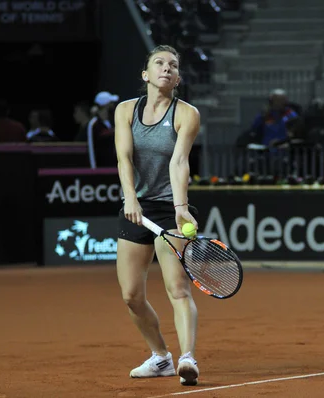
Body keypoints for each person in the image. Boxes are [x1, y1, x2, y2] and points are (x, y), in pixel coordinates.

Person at [114, 45, 201, 386]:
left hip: (171, 210)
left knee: (177, 288)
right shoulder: (125, 111)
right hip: (136, 206)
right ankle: (161, 357)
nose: (167, 68)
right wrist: (130, 198)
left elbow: (179, 161)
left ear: (177, 78)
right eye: (159, 63)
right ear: (146, 75)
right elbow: (124, 158)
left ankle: (187, 357)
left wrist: (180, 209)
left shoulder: (186, 113)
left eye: (173, 65)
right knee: (131, 295)